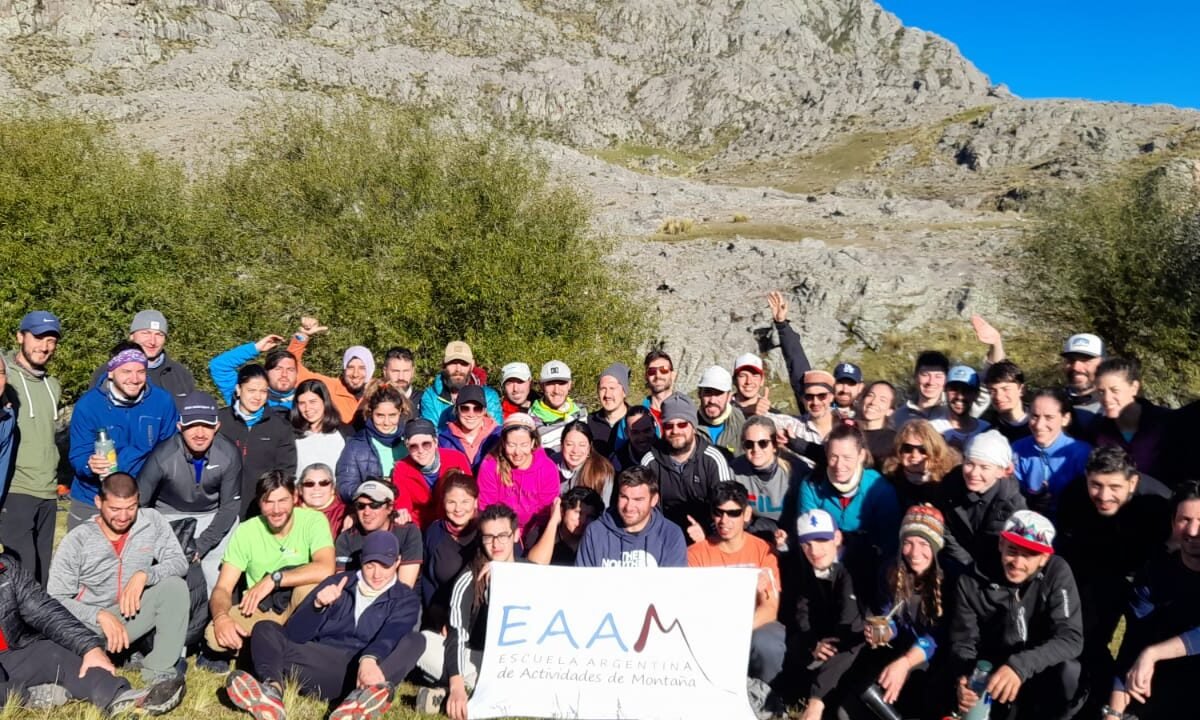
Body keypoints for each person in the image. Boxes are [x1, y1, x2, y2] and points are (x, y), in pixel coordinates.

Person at [225, 530, 421, 720]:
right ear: (362, 561)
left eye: (385, 566)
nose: (377, 574)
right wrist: (317, 606)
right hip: (322, 664)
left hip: (366, 672)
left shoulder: (406, 599)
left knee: (416, 641)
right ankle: (272, 692)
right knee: (265, 628)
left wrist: (369, 659)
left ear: (397, 562)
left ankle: (361, 700)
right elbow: (294, 634)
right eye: (370, 565)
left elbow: (391, 634)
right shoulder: (337, 583)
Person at [1056, 446, 1170, 711]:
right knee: (1088, 639)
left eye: (1114, 487)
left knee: (1143, 643)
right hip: (1098, 573)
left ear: (1133, 482)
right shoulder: (1074, 495)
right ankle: (1093, 697)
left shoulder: (1159, 501)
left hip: (1148, 579)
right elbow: (1068, 546)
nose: (1104, 496)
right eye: (1096, 485)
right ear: (1086, 478)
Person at [0, 551, 185, 715]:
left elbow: (45, 611)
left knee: (54, 650)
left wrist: (90, 648)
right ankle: (23, 696)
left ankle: (121, 699)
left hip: (10, 656)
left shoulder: (7, 569)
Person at [46, 473, 189, 684]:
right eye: (115, 509)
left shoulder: (151, 521)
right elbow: (55, 599)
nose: (123, 517)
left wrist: (145, 575)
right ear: (98, 502)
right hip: (87, 626)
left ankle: (159, 672)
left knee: (175, 587)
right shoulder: (77, 540)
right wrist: (99, 615)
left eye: (131, 508)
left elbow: (179, 562)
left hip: (128, 615)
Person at [950, 510, 1085, 720]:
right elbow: (964, 641)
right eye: (1012, 550)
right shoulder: (971, 579)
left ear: (1044, 558)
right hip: (994, 668)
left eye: (1029, 555)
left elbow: (1071, 638)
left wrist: (1019, 666)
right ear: (1001, 544)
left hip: (1040, 664)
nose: (1018, 562)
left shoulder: (1057, 571)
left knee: (1070, 671)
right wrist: (965, 675)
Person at [204, 470, 335, 664]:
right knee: (213, 636)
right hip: (261, 609)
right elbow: (223, 587)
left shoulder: (313, 521)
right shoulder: (246, 531)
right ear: (259, 503)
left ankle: (266, 650)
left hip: (296, 606)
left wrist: (274, 579)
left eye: (283, 500)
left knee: (310, 589)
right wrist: (221, 617)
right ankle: (275, 649)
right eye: (268, 502)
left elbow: (326, 568)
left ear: (295, 497)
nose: (276, 510)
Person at [413, 503, 521, 719]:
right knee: (423, 642)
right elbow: (457, 633)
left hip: (517, 661)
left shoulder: (531, 572)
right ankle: (468, 689)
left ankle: (459, 691)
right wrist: (457, 686)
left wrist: (505, 575)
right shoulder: (469, 577)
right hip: (476, 658)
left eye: (502, 536)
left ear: (516, 535)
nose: (496, 543)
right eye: (488, 537)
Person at [1105, 481, 1200, 720]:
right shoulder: (1155, 574)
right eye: (1185, 520)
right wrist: (1113, 714)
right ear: (1173, 523)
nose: (1192, 531)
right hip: (1171, 681)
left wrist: (1154, 653)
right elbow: (1133, 642)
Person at [845, 504, 948, 720]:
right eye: (908, 543)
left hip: (935, 660)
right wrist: (883, 631)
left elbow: (938, 637)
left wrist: (906, 662)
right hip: (900, 649)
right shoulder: (892, 571)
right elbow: (889, 615)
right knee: (850, 706)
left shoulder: (950, 580)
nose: (914, 553)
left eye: (924, 544)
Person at [137, 390, 243, 594]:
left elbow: (230, 506)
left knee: (216, 579)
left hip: (213, 516)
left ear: (217, 427)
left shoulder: (229, 453)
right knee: (172, 582)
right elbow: (141, 502)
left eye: (207, 426)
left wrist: (202, 545)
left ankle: (216, 609)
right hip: (169, 516)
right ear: (180, 427)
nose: (200, 433)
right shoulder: (163, 455)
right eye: (192, 425)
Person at [67, 341, 179, 529]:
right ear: (111, 372)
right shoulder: (88, 405)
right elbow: (78, 454)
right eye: (126, 371)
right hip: (93, 498)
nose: (134, 379)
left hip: (142, 499)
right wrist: (89, 464)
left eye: (141, 372)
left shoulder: (162, 401)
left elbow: (170, 450)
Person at [687, 483, 786, 689]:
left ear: (746, 514)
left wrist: (738, 629)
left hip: (754, 624)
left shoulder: (764, 550)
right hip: (711, 624)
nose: (725, 521)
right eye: (719, 513)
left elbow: (770, 608)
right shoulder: (695, 554)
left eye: (733, 513)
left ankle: (767, 694)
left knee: (768, 643)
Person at [0, 310, 63, 586]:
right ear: (20, 337)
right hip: (16, 490)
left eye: (51, 340)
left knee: (42, 576)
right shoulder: (7, 379)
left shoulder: (53, 386)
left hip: (48, 491)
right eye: (38, 337)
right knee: (23, 577)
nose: (44, 346)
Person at [788, 509, 863, 720]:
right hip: (826, 634)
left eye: (821, 540)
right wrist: (813, 643)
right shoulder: (805, 565)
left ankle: (819, 700)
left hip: (857, 640)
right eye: (807, 544)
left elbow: (849, 627)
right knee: (794, 642)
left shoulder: (855, 566)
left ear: (837, 538)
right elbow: (801, 610)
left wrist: (816, 698)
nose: (814, 550)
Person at [799, 424, 900, 569]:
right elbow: (808, 534)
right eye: (833, 457)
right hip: (822, 559)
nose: (839, 465)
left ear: (861, 455)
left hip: (867, 562)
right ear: (826, 454)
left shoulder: (880, 489)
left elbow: (888, 542)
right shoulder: (811, 485)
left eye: (847, 457)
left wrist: (849, 541)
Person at [638, 394, 733, 536]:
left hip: (708, 535)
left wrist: (706, 531)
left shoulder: (713, 459)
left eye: (682, 424)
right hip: (664, 535)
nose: (675, 431)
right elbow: (644, 508)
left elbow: (727, 507)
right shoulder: (650, 462)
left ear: (694, 427)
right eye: (669, 425)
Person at [937, 429, 1025, 580]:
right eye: (969, 464)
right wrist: (966, 564)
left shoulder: (1014, 504)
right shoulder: (950, 485)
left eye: (984, 467)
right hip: (954, 563)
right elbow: (943, 527)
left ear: (1000, 471)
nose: (974, 473)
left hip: (995, 573)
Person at [218, 364, 298, 518]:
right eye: (251, 390)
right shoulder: (221, 421)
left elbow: (286, 471)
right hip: (220, 506)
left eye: (263, 391)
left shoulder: (280, 426)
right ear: (238, 389)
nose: (257, 397)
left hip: (260, 509)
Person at [576, 466, 688, 568]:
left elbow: (673, 583)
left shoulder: (670, 535)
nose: (629, 507)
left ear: (654, 500)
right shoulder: (596, 532)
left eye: (638, 499)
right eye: (624, 497)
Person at [1092, 357, 1174, 483]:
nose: (1107, 398)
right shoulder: (1097, 431)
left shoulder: (1167, 423)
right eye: (1101, 392)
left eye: (1115, 390)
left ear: (1134, 388)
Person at [477, 413, 559, 537]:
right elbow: (487, 507)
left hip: (534, 530)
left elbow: (546, 511)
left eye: (524, 445)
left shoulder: (547, 468)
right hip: (500, 528)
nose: (517, 452)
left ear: (532, 443)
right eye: (511, 445)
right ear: (503, 443)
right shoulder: (490, 465)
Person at [1010, 388, 1091, 515]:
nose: (1039, 425)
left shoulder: (1082, 453)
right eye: (1035, 416)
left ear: (1065, 419)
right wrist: (1029, 500)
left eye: (1049, 417)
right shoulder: (1017, 449)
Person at [88, 310, 196, 405]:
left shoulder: (181, 375)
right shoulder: (107, 373)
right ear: (132, 336)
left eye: (159, 335)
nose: (152, 341)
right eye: (146, 333)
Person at [286, 316, 376, 425]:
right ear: (344, 368)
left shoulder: (378, 392)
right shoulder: (330, 387)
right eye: (350, 367)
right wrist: (303, 336)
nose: (355, 374)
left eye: (362, 368)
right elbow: (292, 370)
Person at [731, 415, 807, 543]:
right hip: (759, 530)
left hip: (795, 532)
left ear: (774, 445)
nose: (756, 449)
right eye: (749, 444)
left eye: (763, 443)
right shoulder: (734, 470)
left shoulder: (796, 470)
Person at [334, 479, 422, 588]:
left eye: (374, 505)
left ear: (390, 507)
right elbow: (344, 583)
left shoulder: (407, 532)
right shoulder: (346, 538)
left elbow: (405, 586)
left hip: (399, 596)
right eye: (360, 505)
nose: (366, 512)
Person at [421, 472, 480, 632]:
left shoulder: (487, 530)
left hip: (480, 617)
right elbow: (427, 580)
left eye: (465, 501)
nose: (458, 509)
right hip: (442, 616)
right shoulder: (435, 532)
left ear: (475, 502)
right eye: (451, 502)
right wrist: (438, 618)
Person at [336, 382, 410, 502]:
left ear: (400, 412)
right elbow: (345, 487)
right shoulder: (355, 445)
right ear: (370, 412)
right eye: (380, 415)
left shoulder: (410, 441)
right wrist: (373, 492)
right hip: (372, 508)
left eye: (392, 415)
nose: (386, 422)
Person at [392, 418, 471, 530]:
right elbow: (403, 505)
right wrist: (402, 512)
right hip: (421, 526)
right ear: (407, 447)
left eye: (426, 444)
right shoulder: (402, 468)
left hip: (454, 520)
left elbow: (469, 493)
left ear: (435, 442)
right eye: (413, 446)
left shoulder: (456, 459)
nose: (421, 450)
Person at [420, 341, 502, 429]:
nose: (458, 369)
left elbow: (494, 432)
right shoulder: (431, 396)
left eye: (464, 363)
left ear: (472, 365)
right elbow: (430, 432)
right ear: (443, 365)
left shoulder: (488, 396)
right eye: (453, 362)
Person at [882, 419, 961, 511]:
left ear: (935, 450)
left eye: (923, 449)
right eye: (908, 448)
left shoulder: (950, 477)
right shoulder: (889, 477)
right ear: (899, 450)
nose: (914, 455)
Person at [209, 333, 299, 411]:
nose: (284, 374)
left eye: (290, 370)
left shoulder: (304, 401)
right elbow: (219, 366)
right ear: (266, 372)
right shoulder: (246, 396)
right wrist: (256, 348)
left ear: (297, 374)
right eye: (278, 369)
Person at [525, 487, 605, 566]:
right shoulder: (539, 533)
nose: (583, 520)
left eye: (590, 516)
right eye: (578, 512)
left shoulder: (595, 544)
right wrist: (554, 521)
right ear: (562, 511)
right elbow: (534, 566)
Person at [292, 378, 349, 479]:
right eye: (302, 403)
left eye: (313, 402)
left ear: (324, 401)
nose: (307, 408)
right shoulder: (292, 435)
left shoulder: (344, 434)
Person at [437, 384, 501, 474]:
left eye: (477, 409)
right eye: (465, 408)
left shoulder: (499, 437)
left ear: (484, 411)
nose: (471, 414)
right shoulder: (444, 440)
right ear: (457, 410)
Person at [766, 290, 813, 408]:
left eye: (822, 395)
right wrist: (781, 325)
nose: (816, 401)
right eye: (811, 396)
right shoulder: (811, 407)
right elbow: (798, 365)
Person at [528, 360, 586, 452]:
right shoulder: (530, 421)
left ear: (569, 385)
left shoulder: (581, 412)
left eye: (561, 383)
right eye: (550, 384)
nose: (556, 390)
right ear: (542, 386)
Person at [554, 420, 615, 505]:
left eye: (582, 445)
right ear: (561, 445)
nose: (575, 450)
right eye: (569, 444)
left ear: (589, 447)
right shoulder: (550, 464)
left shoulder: (601, 470)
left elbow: (604, 508)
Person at [931, 365, 989, 451]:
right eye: (954, 389)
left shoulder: (986, 430)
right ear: (945, 391)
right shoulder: (933, 429)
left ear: (976, 394)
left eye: (966, 390)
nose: (959, 396)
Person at [785, 370, 839, 461]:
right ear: (802, 399)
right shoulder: (793, 425)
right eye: (809, 397)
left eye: (822, 396)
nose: (815, 402)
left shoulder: (849, 421)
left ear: (832, 396)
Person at [696, 365, 747, 460]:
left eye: (719, 393)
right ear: (699, 394)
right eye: (707, 392)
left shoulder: (739, 422)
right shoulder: (689, 424)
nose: (712, 400)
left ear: (729, 396)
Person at [1059, 333, 1105, 438]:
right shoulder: (1052, 401)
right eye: (1071, 360)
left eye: (1085, 360)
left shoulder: (1117, 406)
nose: (1076, 367)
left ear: (1103, 363)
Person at [892, 351, 951, 428]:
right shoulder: (899, 416)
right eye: (925, 375)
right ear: (916, 376)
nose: (931, 382)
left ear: (946, 379)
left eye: (938, 376)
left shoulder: (953, 411)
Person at [587, 362, 631, 457]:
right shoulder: (589, 422)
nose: (607, 395)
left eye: (612, 388)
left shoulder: (636, 421)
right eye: (603, 388)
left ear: (624, 392)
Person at [983, 360, 1031, 443]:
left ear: (1022, 389)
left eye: (1005, 389)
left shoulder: (1041, 423)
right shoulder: (989, 432)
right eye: (992, 391)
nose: (998, 397)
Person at [298, 462, 347, 537]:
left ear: (332, 488)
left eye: (324, 483)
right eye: (309, 483)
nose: (316, 488)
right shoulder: (289, 510)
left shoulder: (345, 513)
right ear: (300, 489)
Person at [858, 380, 897, 469]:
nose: (873, 402)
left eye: (882, 400)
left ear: (890, 411)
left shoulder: (894, 441)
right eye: (870, 395)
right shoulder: (849, 432)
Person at [611, 404, 655, 472]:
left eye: (646, 431)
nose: (641, 437)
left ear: (654, 428)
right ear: (626, 432)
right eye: (635, 432)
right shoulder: (617, 461)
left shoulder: (666, 454)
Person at [731, 352, 776, 419]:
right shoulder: (720, 410)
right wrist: (748, 410)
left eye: (755, 376)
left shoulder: (774, 416)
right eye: (742, 376)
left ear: (762, 380)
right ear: (734, 380)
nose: (748, 381)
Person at [382, 346, 422, 416]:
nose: (401, 377)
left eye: (406, 371)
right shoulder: (375, 400)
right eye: (395, 371)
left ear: (413, 371)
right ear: (385, 372)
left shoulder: (424, 400)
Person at [641, 349, 677, 424]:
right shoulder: (638, 415)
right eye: (652, 371)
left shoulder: (687, 413)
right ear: (646, 376)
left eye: (663, 370)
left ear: (673, 375)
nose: (658, 375)